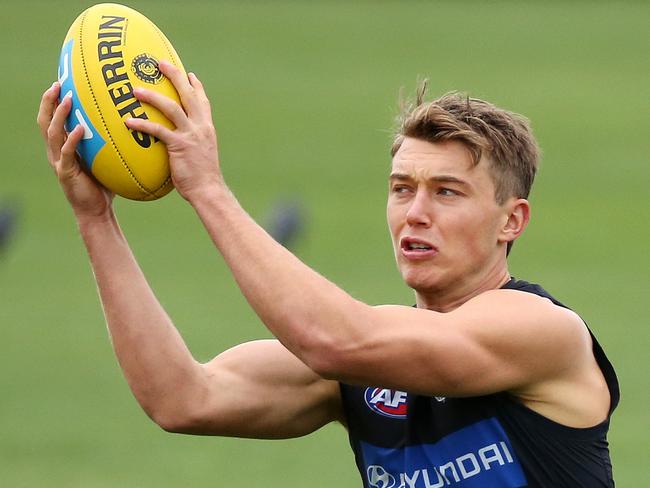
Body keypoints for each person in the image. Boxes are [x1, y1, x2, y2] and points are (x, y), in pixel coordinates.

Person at [37, 62, 618, 487]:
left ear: (510, 221)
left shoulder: (543, 333)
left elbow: (334, 339)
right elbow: (182, 397)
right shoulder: (363, 365)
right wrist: (95, 218)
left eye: (447, 192)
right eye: (401, 189)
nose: (415, 212)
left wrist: (208, 190)